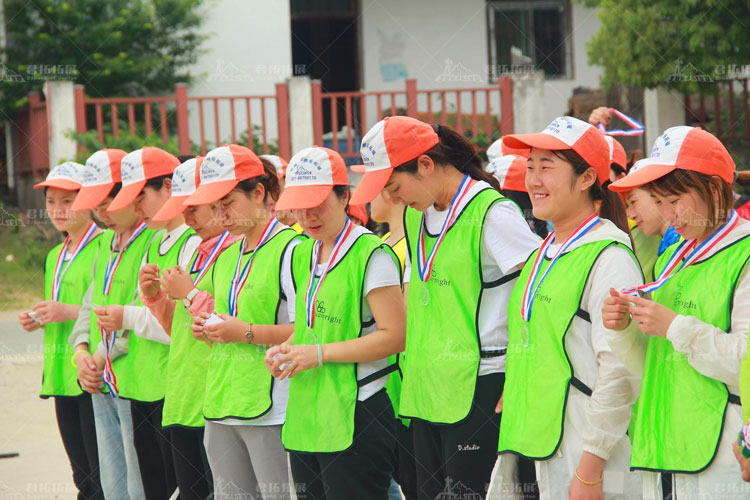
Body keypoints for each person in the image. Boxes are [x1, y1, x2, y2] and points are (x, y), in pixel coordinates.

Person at [350, 116, 540, 500]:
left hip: (481, 387)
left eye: (394, 186)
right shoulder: (420, 213)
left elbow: (542, 291)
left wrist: (526, 372)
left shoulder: (492, 213)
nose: (393, 198)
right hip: (427, 389)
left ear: (425, 164)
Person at [489, 116, 643, 499]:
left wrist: (590, 469)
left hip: (580, 456)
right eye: (530, 166)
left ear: (588, 177)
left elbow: (620, 371)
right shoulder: (545, 251)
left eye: (547, 167)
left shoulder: (610, 256)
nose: (534, 181)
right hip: (529, 445)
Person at [604, 126, 750, 499]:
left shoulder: (744, 254)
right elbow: (652, 366)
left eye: (675, 200)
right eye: (659, 201)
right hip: (663, 451)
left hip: (720, 459)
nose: (669, 215)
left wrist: (675, 327)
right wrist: (624, 329)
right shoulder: (674, 256)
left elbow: (744, 365)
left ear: (715, 189)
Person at [265, 145, 406, 500]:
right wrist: (286, 349)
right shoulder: (301, 253)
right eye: (299, 204)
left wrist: (319, 354)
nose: (307, 214)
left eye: (318, 203)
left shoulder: (371, 254)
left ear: (345, 197)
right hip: (307, 412)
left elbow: (397, 337)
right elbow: (309, 326)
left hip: (358, 411)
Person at [185, 145, 302, 500]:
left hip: (270, 408)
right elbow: (229, 325)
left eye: (228, 202)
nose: (221, 215)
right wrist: (210, 330)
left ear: (259, 193)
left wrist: (245, 332)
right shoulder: (226, 256)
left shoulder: (293, 249)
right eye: (215, 207)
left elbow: (308, 333)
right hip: (222, 403)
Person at [102, 146, 199, 500]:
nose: (137, 207)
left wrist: (127, 317)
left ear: (170, 187)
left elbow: (184, 328)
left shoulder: (191, 244)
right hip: (141, 385)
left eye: (141, 196)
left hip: (172, 389)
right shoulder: (155, 243)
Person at [69, 148, 155, 500]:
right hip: (100, 380)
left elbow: (138, 309)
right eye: (95, 204)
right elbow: (89, 304)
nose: (100, 213)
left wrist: (101, 358)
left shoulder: (150, 241)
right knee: (113, 483)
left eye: (108, 202)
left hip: (134, 381)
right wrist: (80, 352)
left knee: (140, 485)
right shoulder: (105, 242)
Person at [18, 162, 104, 499]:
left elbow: (116, 306)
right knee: (81, 474)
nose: (58, 210)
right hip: (59, 376)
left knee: (102, 476)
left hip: (92, 374)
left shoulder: (106, 244)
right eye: (52, 202)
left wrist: (65, 312)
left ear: (89, 200)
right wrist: (39, 317)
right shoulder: (56, 254)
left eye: (68, 201)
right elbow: (60, 307)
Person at [139, 156, 220, 500]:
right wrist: (156, 299)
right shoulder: (197, 252)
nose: (188, 218)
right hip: (185, 396)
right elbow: (181, 331)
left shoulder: (232, 253)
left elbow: (231, 329)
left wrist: (188, 295)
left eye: (195, 208)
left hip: (214, 401)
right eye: (183, 209)